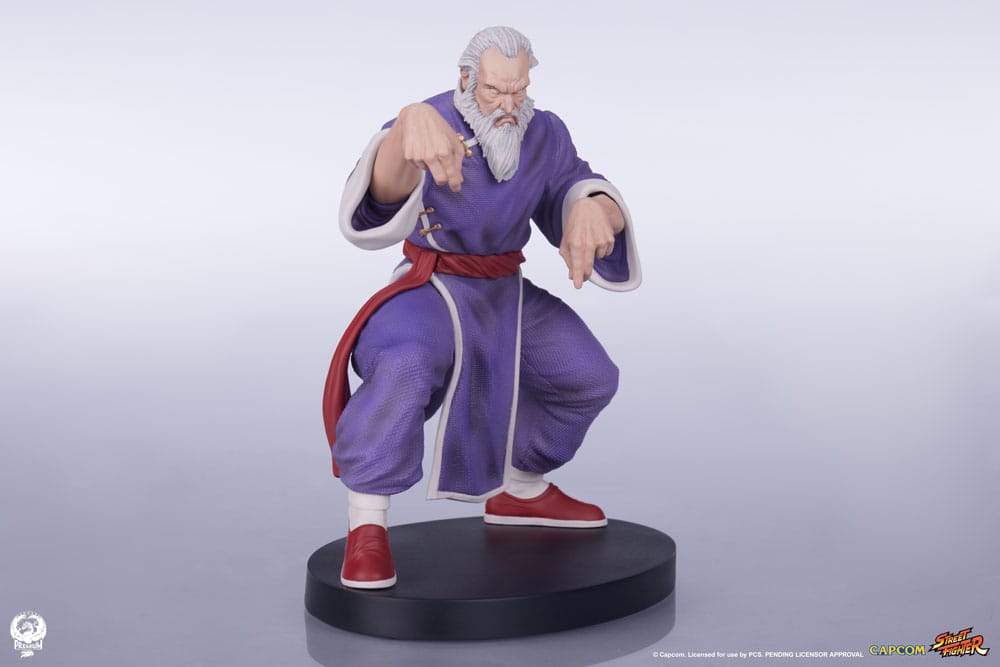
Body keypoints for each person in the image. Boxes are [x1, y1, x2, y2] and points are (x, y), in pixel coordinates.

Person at [323, 26, 641, 589]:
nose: (508, 105)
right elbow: (380, 198)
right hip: (431, 286)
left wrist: (596, 206)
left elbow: (574, 184)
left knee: (587, 375)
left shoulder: (543, 132)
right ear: (467, 79)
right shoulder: (428, 120)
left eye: (519, 90)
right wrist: (403, 132)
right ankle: (366, 521)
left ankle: (521, 487)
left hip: (503, 290)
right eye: (495, 90)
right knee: (404, 365)